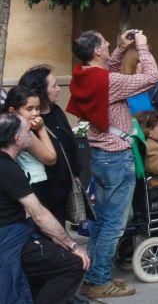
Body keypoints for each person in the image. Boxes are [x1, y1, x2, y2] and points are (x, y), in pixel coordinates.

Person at [68, 27, 158, 299]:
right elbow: (152, 76)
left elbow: (108, 70)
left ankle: (93, 275)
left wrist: (120, 48)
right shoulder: (110, 82)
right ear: (97, 50)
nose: (109, 44)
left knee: (103, 221)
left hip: (101, 157)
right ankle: (98, 281)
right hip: (117, 158)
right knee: (113, 225)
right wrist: (142, 45)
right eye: (106, 43)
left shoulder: (87, 75)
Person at [0, 113, 90, 304]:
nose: (30, 134)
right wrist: (72, 245)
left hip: (12, 234)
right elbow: (39, 214)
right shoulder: (7, 169)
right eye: (27, 132)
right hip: (8, 239)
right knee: (74, 264)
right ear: (17, 139)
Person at [20, 65, 78, 227]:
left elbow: (70, 143)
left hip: (63, 186)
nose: (59, 89)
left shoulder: (56, 111)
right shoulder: (29, 123)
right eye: (54, 86)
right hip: (43, 189)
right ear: (41, 90)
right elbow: (49, 158)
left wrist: (75, 173)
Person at [4, 85, 57, 187]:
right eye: (29, 109)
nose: (35, 113)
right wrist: (41, 129)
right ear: (12, 111)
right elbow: (51, 159)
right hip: (33, 182)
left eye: (37, 108)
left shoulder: (6, 127)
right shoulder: (23, 132)